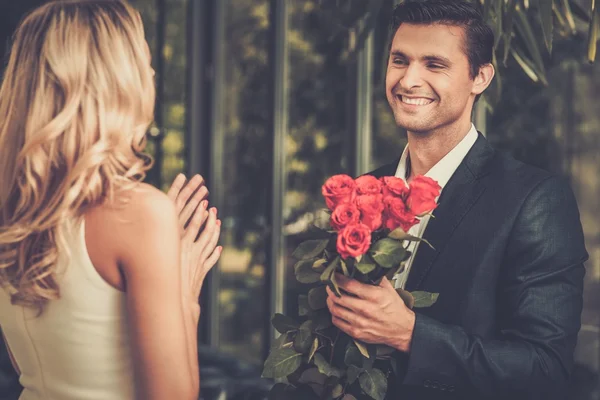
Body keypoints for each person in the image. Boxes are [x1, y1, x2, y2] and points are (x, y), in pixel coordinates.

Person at [325, 1, 588, 399]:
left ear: (479, 77)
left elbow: (544, 369)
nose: (408, 79)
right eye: (400, 60)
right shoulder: (362, 188)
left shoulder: (534, 200)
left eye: (434, 64)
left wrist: (410, 335)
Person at [0, 1, 221, 399]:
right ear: (119, 80)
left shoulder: (12, 208)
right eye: (143, 61)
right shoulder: (139, 212)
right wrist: (184, 296)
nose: (151, 74)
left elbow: (32, 364)